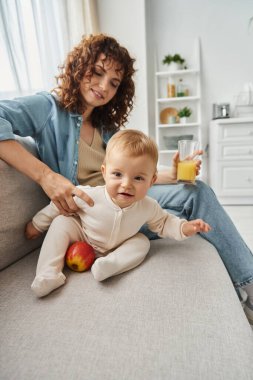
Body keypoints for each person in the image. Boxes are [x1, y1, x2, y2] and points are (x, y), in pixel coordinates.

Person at [0, 34, 253, 318]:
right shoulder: (49, 108)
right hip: (92, 213)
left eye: (114, 82)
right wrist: (45, 176)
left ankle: (249, 285)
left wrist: (173, 172)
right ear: (78, 67)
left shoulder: (105, 124)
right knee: (167, 216)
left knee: (197, 191)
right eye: (96, 72)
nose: (103, 86)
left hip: (123, 197)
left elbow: (131, 177)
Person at [25, 130, 211, 297]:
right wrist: (37, 224)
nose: (126, 184)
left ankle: (109, 266)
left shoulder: (148, 206)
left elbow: (163, 223)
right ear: (104, 172)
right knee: (62, 222)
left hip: (119, 246)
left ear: (152, 180)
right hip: (83, 237)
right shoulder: (89, 195)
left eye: (138, 178)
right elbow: (57, 205)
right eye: (117, 174)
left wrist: (185, 227)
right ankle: (48, 274)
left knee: (142, 242)